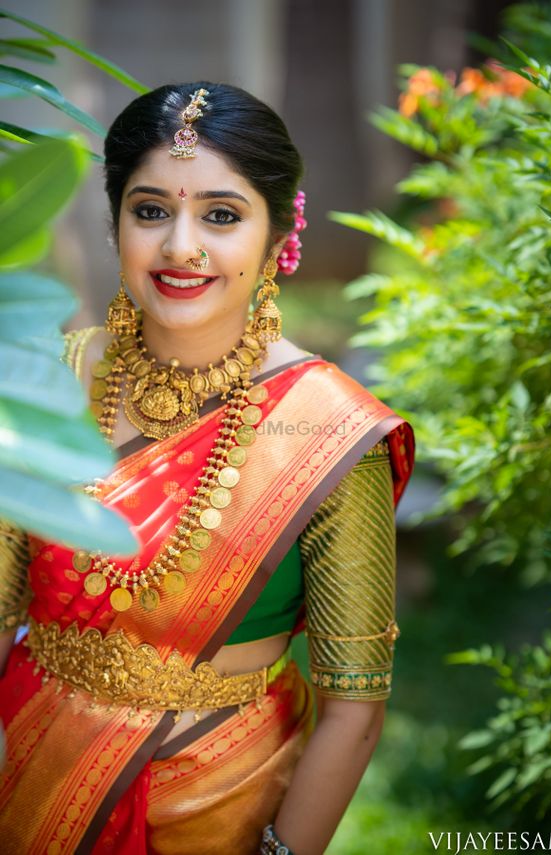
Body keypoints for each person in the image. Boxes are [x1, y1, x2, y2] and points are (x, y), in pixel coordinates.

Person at [0, 81, 414, 855]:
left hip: (217, 797)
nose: (180, 246)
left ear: (279, 232)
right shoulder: (42, 377)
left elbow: (354, 708)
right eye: (150, 209)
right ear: (116, 220)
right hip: (26, 773)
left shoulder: (329, 431)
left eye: (221, 215)